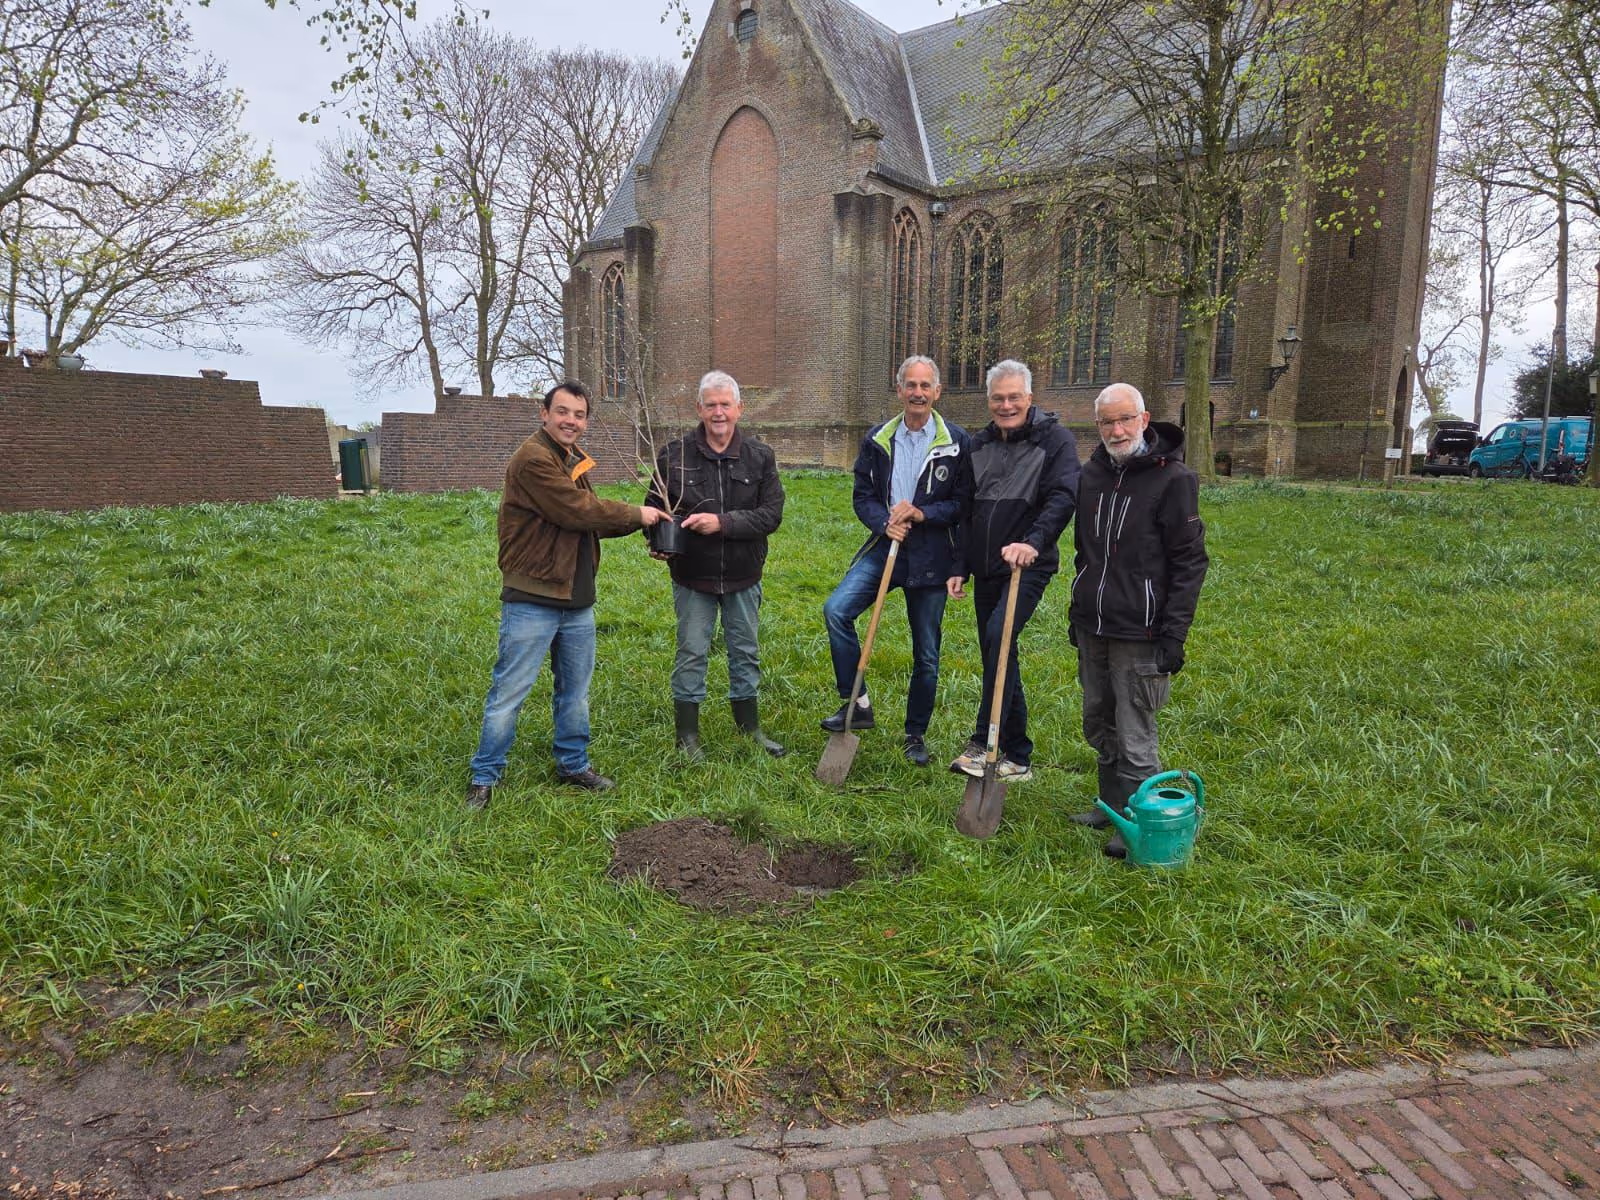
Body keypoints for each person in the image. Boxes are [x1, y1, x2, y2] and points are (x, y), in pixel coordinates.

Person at [465, 380, 670, 808]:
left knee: (574, 692)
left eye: (578, 415)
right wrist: (638, 513)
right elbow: (577, 511)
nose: (570, 421)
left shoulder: (570, 459)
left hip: (576, 599)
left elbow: (590, 521)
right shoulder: (533, 460)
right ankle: (484, 777)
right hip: (533, 598)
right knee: (509, 693)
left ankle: (573, 764)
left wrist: (648, 531)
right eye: (562, 412)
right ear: (544, 414)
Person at [1067, 383, 1208, 858]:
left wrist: (1174, 633)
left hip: (1141, 632)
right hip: (1094, 626)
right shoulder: (1091, 476)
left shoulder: (1174, 480)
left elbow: (1190, 562)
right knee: (1097, 720)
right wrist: (1077, 608)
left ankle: (1140, 821)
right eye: (1107, 422)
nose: (1117, 429)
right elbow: (1083, 552)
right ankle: (1110, 804)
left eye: (1125, 419)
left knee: (1134, 730)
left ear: (1144, 420)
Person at [820, 356, 970, 766]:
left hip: (932, 557)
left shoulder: (956, 442)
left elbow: (962, 504)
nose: (918, 393)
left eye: (926, 386)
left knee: (927, 652)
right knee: (836, 611)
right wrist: (885, 522)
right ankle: (857, 702)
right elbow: (862, 496)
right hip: (888, 547)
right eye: (911, 385)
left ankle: (915, 733)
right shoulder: (877, 439)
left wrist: (923, 514)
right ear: (899, 389)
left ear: (937, 392)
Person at [946, 360, 1080, 782]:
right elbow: (966, 507)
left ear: (1029, 398)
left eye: (1014, 397)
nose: (1006, 405)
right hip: (986, 567)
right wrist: (960, 566)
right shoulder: (979, 444)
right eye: (998, 398)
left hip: (1028, 566)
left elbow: (1063, 496)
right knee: (999, 650)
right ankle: (1017, 754)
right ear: (989, 401)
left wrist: (1033, 542)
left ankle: (984, 741)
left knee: (996, 638)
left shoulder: (1055, 441)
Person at [648, 370, 787, 758]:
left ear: (739, 409)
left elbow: (771, 515)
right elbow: (655, 509)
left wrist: (722, 523)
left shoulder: (760, 457)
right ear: (700, 409)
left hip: (744, 574)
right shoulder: (674, 456)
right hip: (694, 576)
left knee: (745, 650)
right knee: (692, 650)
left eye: (726, 404)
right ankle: (687, 735)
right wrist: (658, 541)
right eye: (711, 405)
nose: (719, 412)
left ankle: (750, 727)